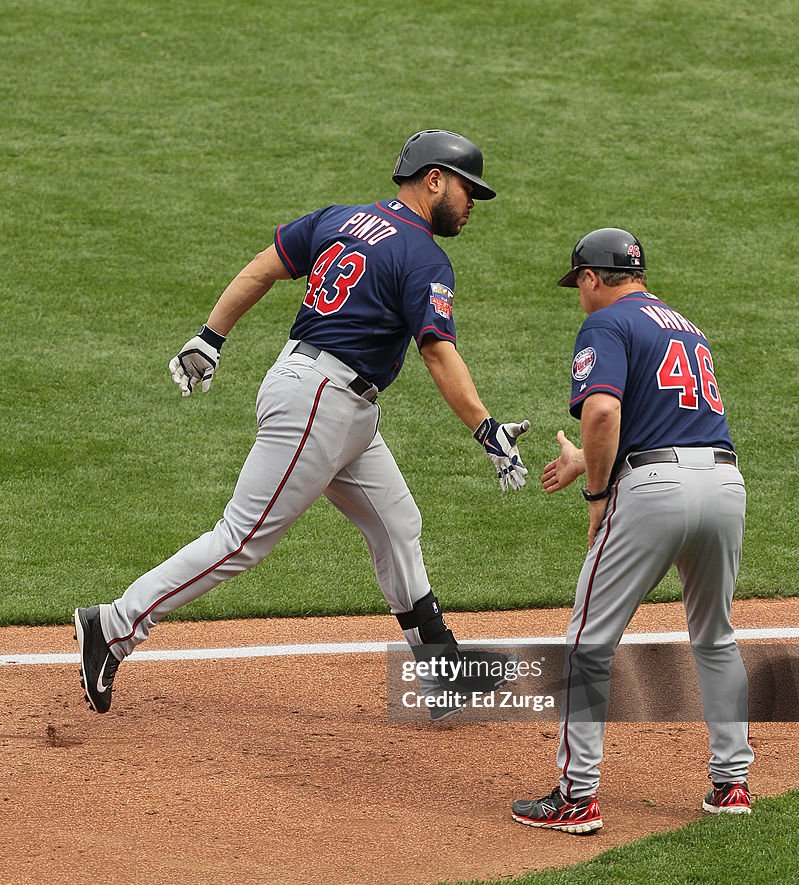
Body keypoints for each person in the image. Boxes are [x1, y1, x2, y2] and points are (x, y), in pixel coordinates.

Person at [74, 129, 529, 721]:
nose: (472, 206)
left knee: (398, 525)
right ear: (434, 180)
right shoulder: (423, 255)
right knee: (240, 538)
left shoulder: (339, 219)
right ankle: (113, 626)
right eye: (468, 190)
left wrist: (211, 337)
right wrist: (485, 427)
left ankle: (440, 668)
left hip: (333, 401)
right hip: (322, 402)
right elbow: (438, 351)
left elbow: (262, 267)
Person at [511, 227, 753, 833]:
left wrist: (597, 492)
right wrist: (586, 459)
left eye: (579, 285)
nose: (579, 296)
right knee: (716, 638)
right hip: (724, 484)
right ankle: (732, 784)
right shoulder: (684, 325)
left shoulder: (606, 323)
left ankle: (577, 796)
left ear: (593, 278)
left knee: (588, 642)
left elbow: (602, 409)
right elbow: (663, 416)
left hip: (655, 492)